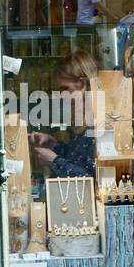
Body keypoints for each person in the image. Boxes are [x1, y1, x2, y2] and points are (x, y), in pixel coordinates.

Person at [29, 50, 98, 178]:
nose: (61, 95)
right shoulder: (84, 119)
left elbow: (94, 179)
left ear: (81, 84)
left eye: (65, 88)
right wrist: (53, 144)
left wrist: (55, 161)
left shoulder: (99, 122)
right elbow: (78, 159)